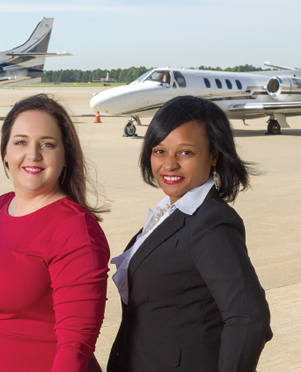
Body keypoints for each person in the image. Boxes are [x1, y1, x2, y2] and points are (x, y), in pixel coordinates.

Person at [107, 96, 273, 372]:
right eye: (159, 151)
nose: (169, 164)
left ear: (214, 154)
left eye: (185, 152)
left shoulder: (211, 224)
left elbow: (249, 317)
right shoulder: (171, 211)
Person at [0, 94, 110, 372]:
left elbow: (76, 346)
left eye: (47, 144)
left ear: (65, 156)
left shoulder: (75, 229)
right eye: (21, 142)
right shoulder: (2, 206)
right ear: (5, 152)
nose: (33, 155)